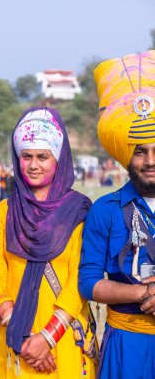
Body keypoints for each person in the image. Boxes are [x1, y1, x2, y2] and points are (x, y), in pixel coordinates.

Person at [0, 107, 97, 378]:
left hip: (65, 339)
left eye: (43, 157)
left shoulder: (79, 211)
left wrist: (47, 337)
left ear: (58, 159)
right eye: (27, 156)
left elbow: (78, 281)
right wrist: (25, 339)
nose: (33, 165)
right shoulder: (3, 213)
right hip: (16, 342)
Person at [79, 50, 155, 378]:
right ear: (125, 155)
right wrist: (145, 293)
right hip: (127, 342)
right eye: (140, 151)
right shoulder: (105, 210)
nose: (150, 160)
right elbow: (88, 282)